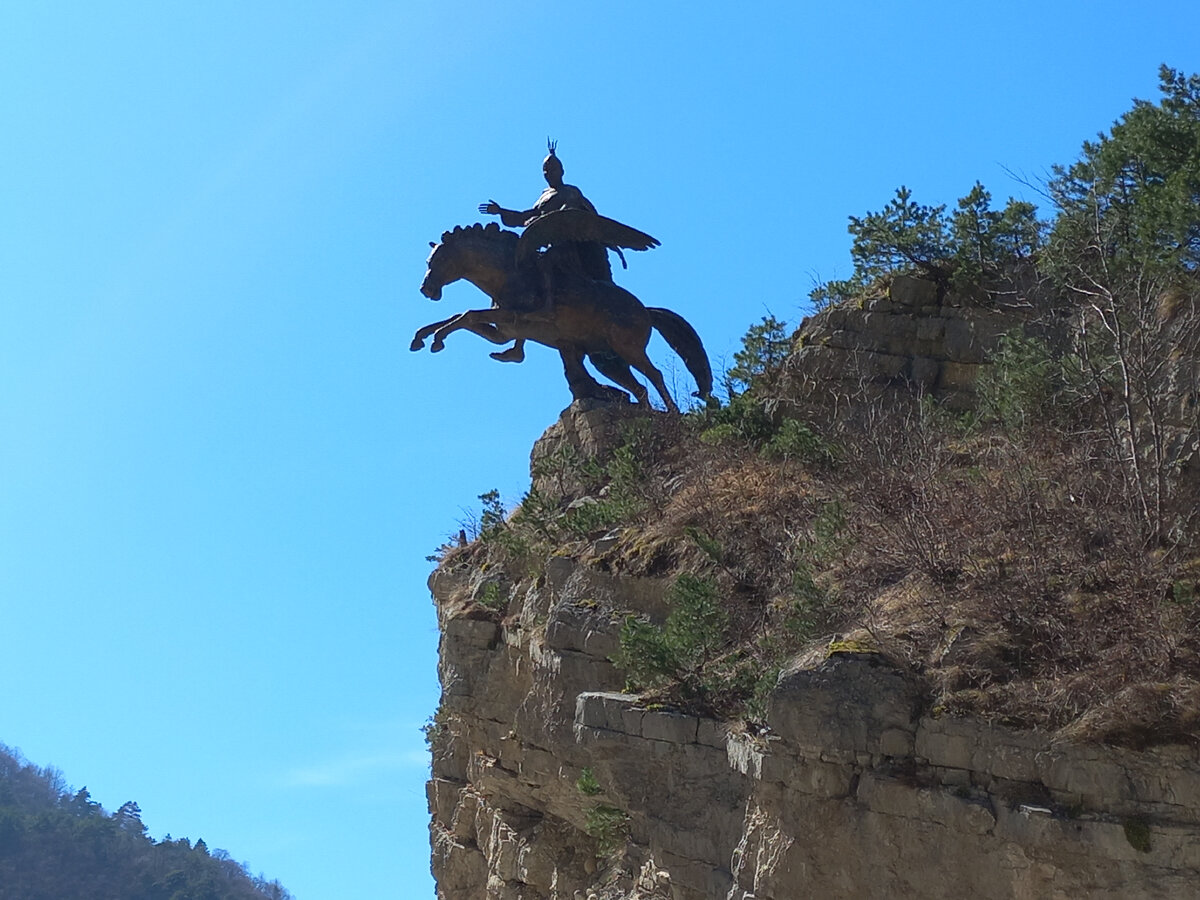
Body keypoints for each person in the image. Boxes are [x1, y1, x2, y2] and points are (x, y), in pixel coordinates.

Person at [478, 142, 611, 361]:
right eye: (546, 171)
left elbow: (567, 213)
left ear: (562, 171)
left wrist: (541, 221)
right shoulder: (543, 196)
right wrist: (500, 211)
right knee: (523, 273)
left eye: (553, 169)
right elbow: (525, 215)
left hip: (566, 248)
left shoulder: (571, 191)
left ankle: (548, 306)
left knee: (545, 262)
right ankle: (517, 345)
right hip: (548, 245)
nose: (549, 174)